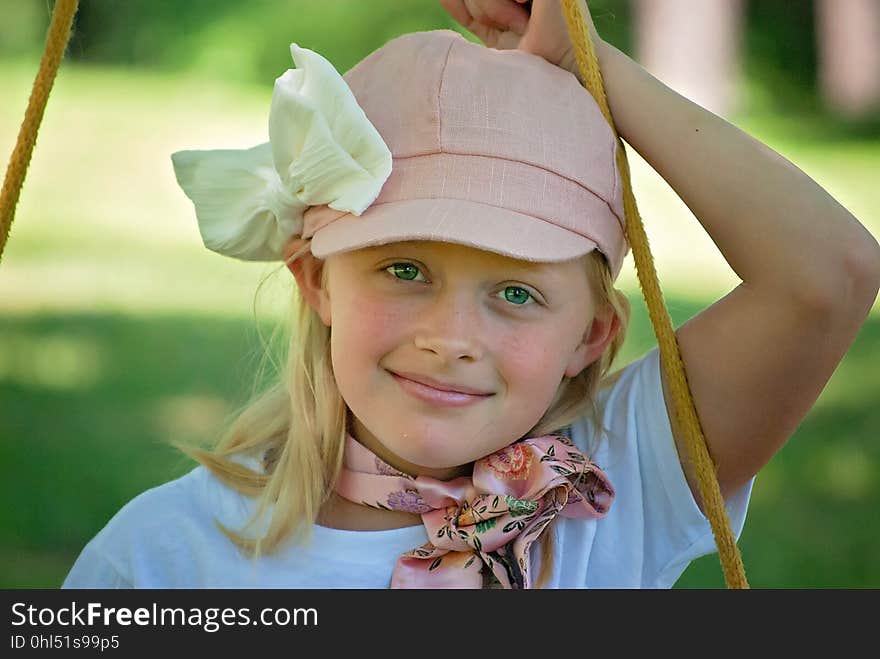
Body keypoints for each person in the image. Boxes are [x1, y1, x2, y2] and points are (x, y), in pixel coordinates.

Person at [62, 0, 879, 589]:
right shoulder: (164, 557)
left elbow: (829, 273)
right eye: (405, 269)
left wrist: (592, 61)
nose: (452, 335)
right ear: (317, 279)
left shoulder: (621, 478)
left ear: (592, 335)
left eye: (518, 291)